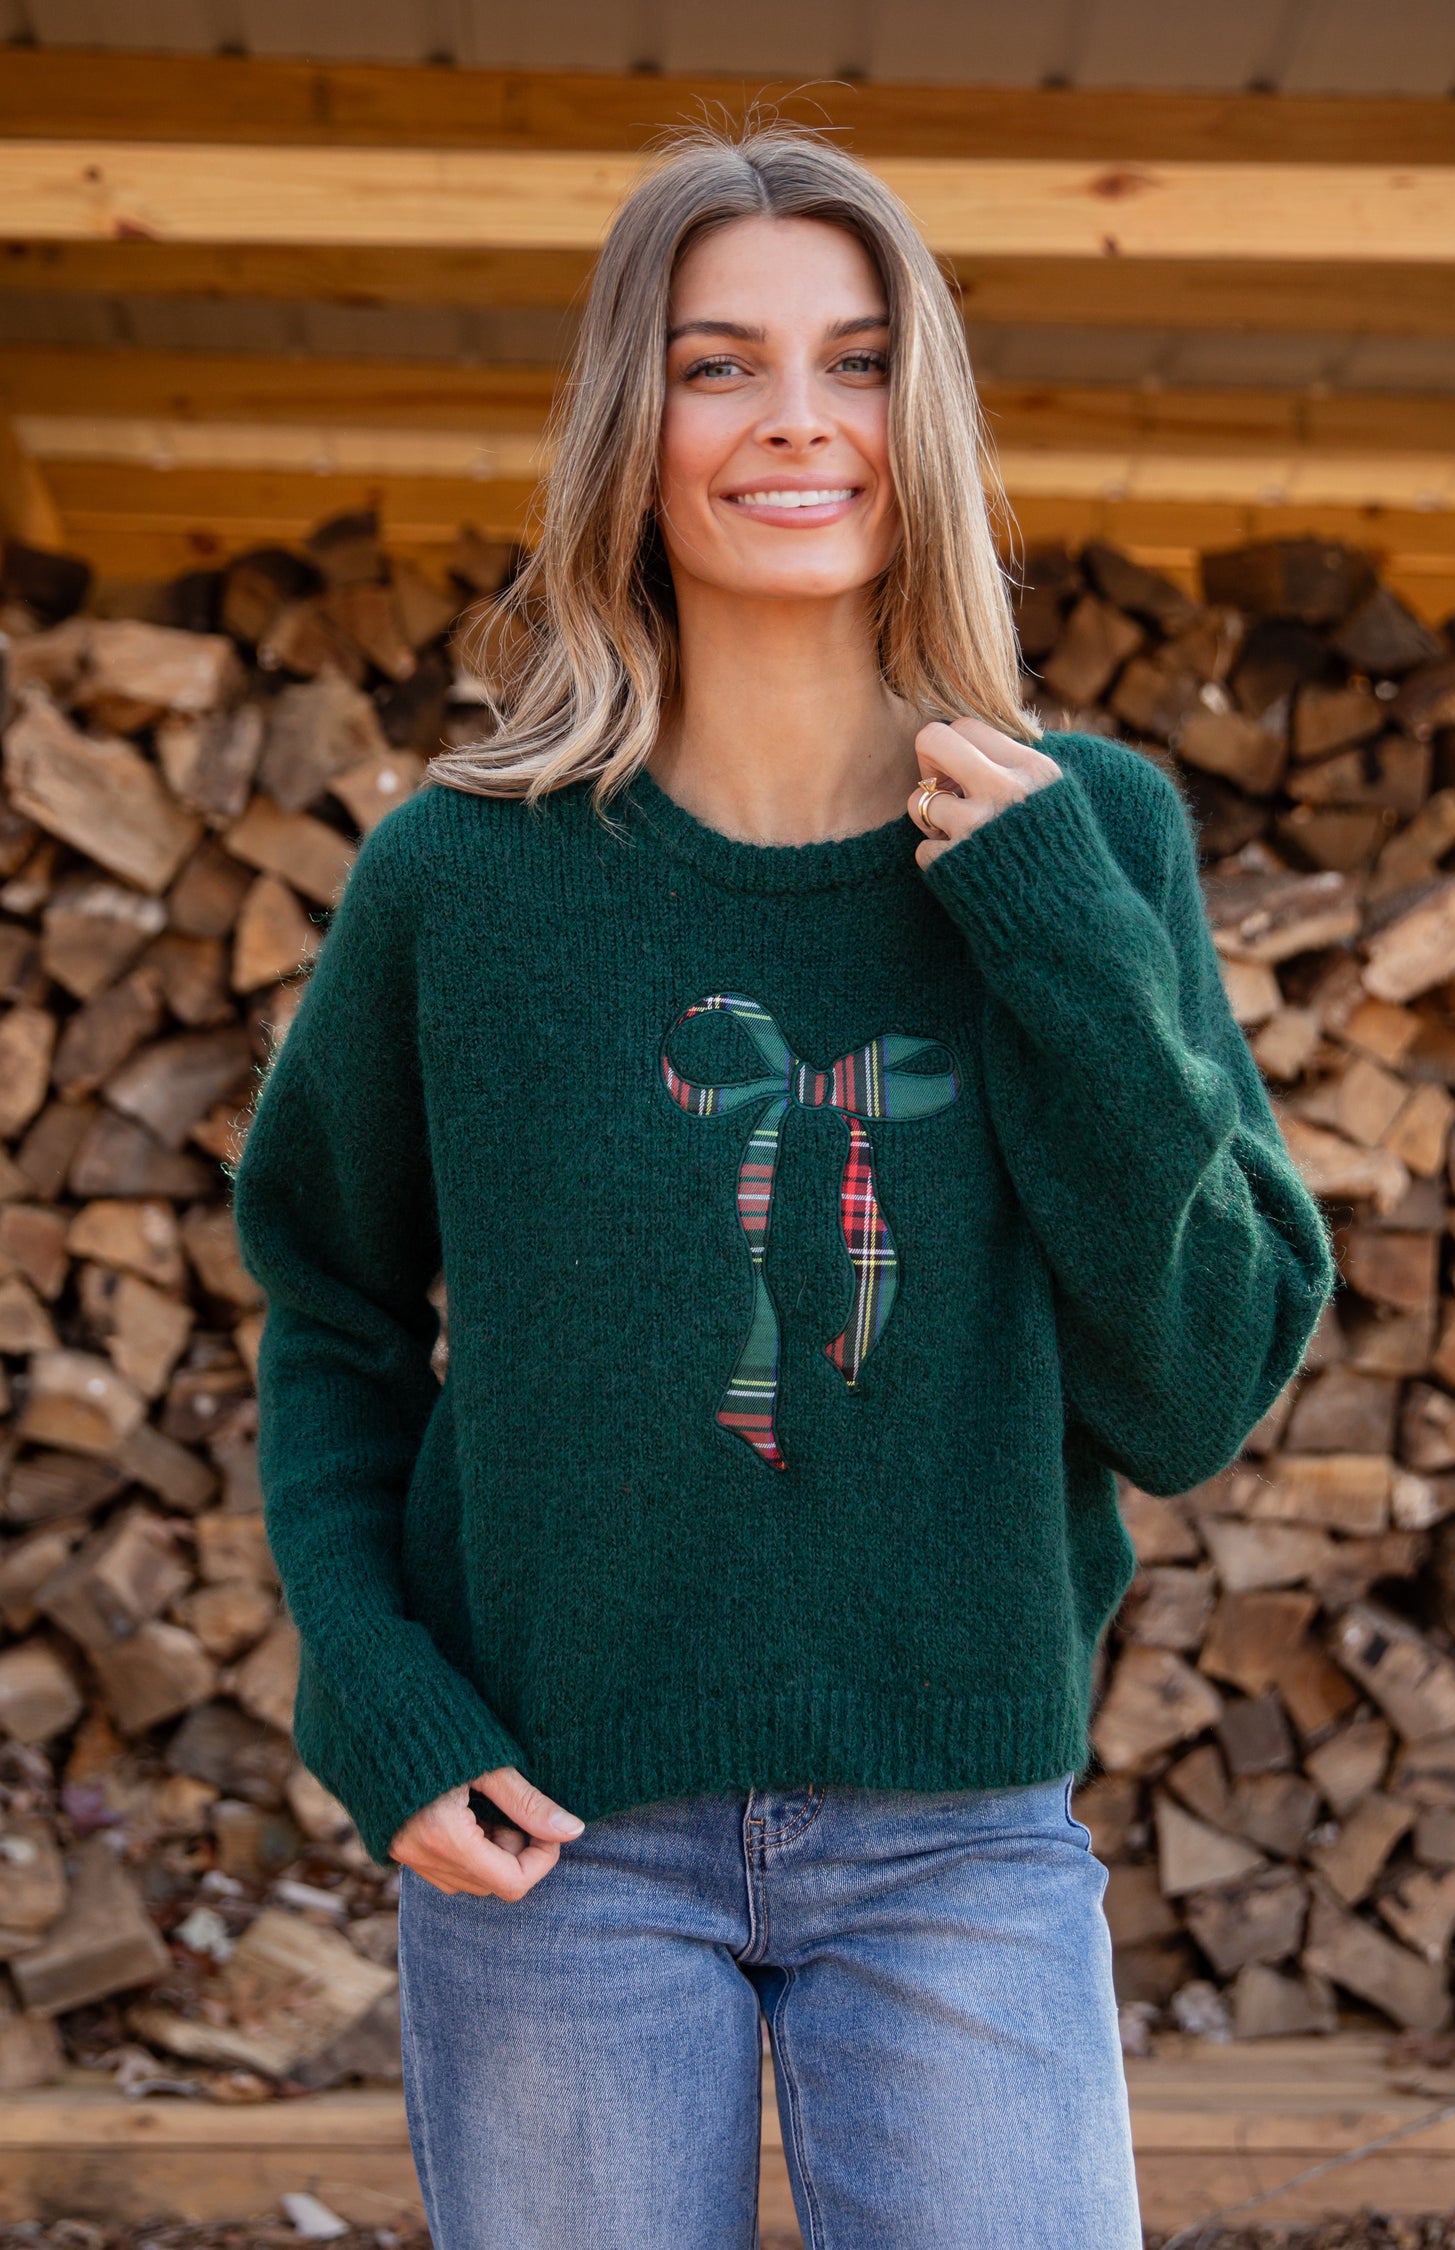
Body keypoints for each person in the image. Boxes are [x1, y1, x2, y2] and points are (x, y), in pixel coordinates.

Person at [233, 123, 1335, 2250]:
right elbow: (333, 1305)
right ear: (626, 427)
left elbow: (1195, 1387)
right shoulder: (462, 882)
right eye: (718, 363)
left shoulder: (1080, 837)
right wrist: (372, 1684)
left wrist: (1050, 932)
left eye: (852, 360)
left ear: (921, 419)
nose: (794, 424)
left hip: (962, 1838)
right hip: (557, 1840)